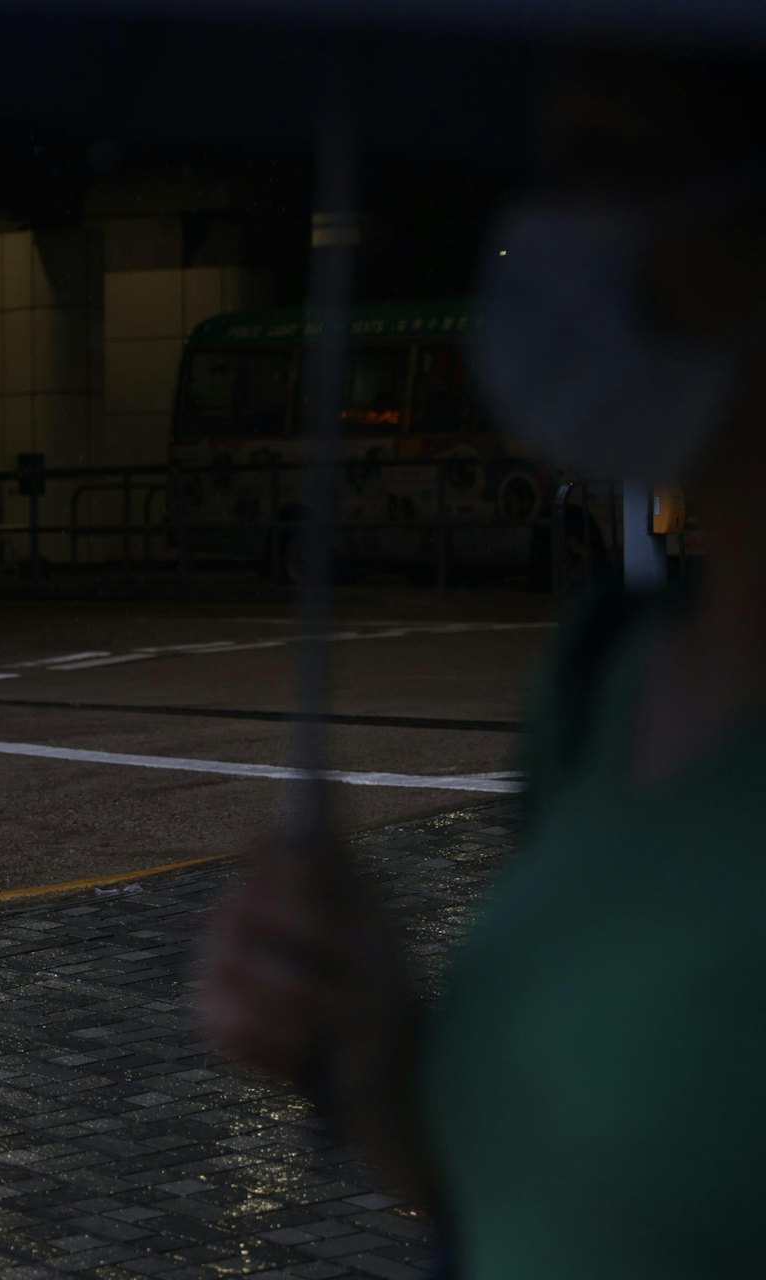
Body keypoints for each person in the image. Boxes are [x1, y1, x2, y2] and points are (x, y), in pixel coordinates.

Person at [202, 50, 766, 1278]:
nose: (550, 229)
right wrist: (378, 1051)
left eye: (609, 162)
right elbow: (528, 1196)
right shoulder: (602, 679)